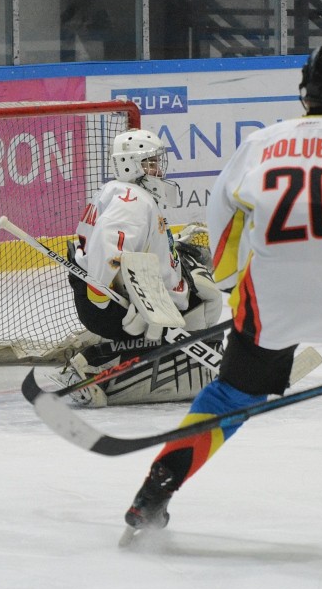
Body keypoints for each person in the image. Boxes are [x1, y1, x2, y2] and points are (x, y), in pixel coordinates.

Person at [120, 43, 322, 541]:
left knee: (231, 393)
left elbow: (223, 216)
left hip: (271, 298)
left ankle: (156, 488)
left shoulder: (261, 142)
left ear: (304, 91)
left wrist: (233, 284)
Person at [65, 128, 224, 407]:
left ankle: (131, 352)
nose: (158, 169)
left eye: (156, 161)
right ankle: (99, 364)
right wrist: (116, 303)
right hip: (113, 304)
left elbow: (131, 250)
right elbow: (107, 246)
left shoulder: (120, 192)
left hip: (109, 296)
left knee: (200, 288)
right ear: (130, 165)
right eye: (150, 163)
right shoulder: (133, 201)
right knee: (207, 299)